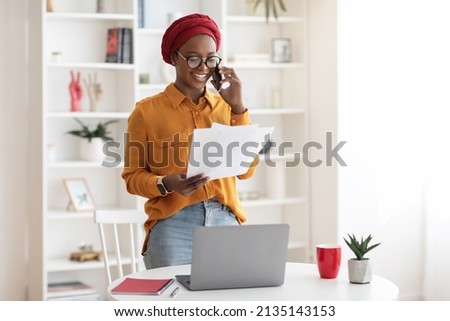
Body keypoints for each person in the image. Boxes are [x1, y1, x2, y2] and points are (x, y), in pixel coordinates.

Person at [121, 13, 259, 269]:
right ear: (174, 58)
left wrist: (239, 108)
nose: (203, 67)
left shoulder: (227, 106)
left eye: (211, 59)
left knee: (225, 304)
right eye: (193, 58)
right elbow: (132, 178)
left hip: (225, 221)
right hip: (174, 225)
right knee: (172, 306)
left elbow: (247, 172)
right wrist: (165, 183)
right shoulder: (146, 112)